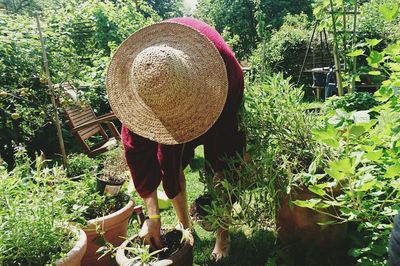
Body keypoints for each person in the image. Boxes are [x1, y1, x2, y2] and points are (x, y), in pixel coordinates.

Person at [106, 17, 245, 260]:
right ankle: (186, 229)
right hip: (169, 98)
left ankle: (223, 234)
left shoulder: (224, 70)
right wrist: (153, 217)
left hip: (215, 96)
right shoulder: (139, 85)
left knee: (222, 163)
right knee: (168, 161)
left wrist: (221, 171)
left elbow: (227, 151)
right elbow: (138, 157)